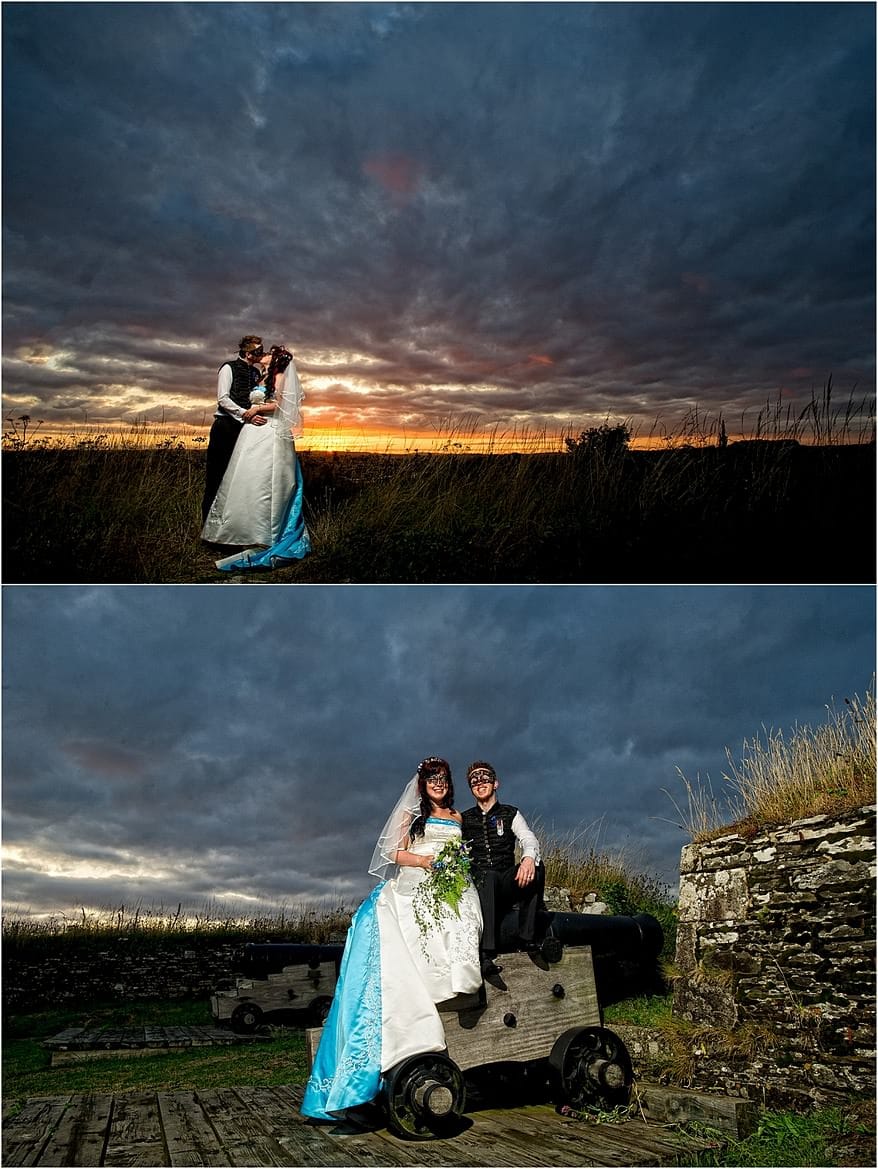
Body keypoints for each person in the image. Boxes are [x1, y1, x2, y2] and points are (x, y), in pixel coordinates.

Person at [301, 757, 483, 1121]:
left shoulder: (459, 818)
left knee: (464, 919)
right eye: (432, 779)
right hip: (419, 880)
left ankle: (460, 981)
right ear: (422, 784)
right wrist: (425, 862)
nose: (439, 784)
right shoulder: (411, 817)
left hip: (453, 883)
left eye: (443, 779)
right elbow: (393, 853)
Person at [201, 344, 311, 571]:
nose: (264, 356)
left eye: (268, 353)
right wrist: (250, 413)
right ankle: (240, 532)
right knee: (247, 479)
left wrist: (255, 411)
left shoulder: (280, 376)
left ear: (276, 358)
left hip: (269, 431)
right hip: (253, 431)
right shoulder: (261, 376)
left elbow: (281, 404)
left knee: (265, 481)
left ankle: (265, 532)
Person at [461, 761, 545, 971]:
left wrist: (527, 859)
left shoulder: (511, 813)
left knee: (537, 865)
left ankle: (527, 939)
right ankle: (487, 953)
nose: (480, 783)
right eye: (474, 781)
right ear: (471, 789)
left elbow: (528, 839)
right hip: (482, 884)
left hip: (506, 881)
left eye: (484, 778)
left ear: (495, 783)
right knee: (487, 876)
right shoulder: (464, 818)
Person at [201, 335, 266, 524]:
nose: (261, 354)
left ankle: (230, 526)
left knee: (238, 477)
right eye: (258, 351)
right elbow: (223, 398)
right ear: (247, 352)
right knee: (216, 476)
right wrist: (245, 414)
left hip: (245, 429)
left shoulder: (255, 373)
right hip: (225, 427)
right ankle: (207, 526)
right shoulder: (228, 367)